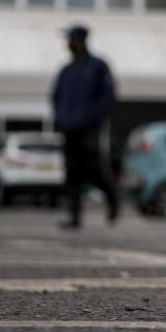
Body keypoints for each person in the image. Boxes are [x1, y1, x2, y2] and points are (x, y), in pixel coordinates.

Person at [51, 24, 119, 229]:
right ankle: (74, 217)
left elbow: (108, 95)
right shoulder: (66, 71)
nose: (69, 44)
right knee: (72, 173)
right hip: (69, 129)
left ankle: (113, 198)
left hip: (89, 129)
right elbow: (56, 97)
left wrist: (93, 118)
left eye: (71, 39)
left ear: (81, 40)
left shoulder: (98, 66)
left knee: (93, 170)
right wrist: (61, 119)